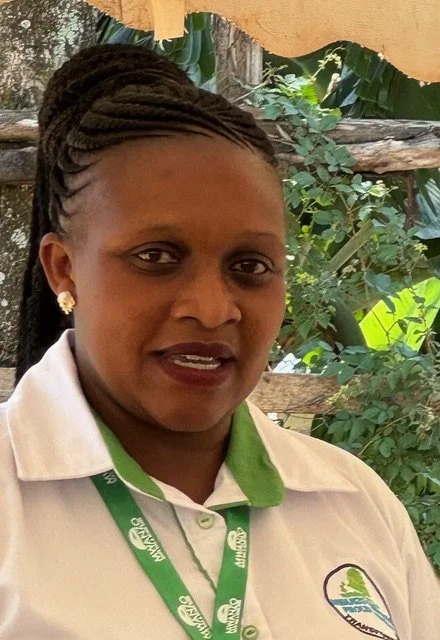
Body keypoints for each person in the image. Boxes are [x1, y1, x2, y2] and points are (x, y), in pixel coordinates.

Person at [0, 44, 438, 640]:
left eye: (250, 266)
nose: (211, 310)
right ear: (64, 269)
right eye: (157, 257)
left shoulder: (355, 504)